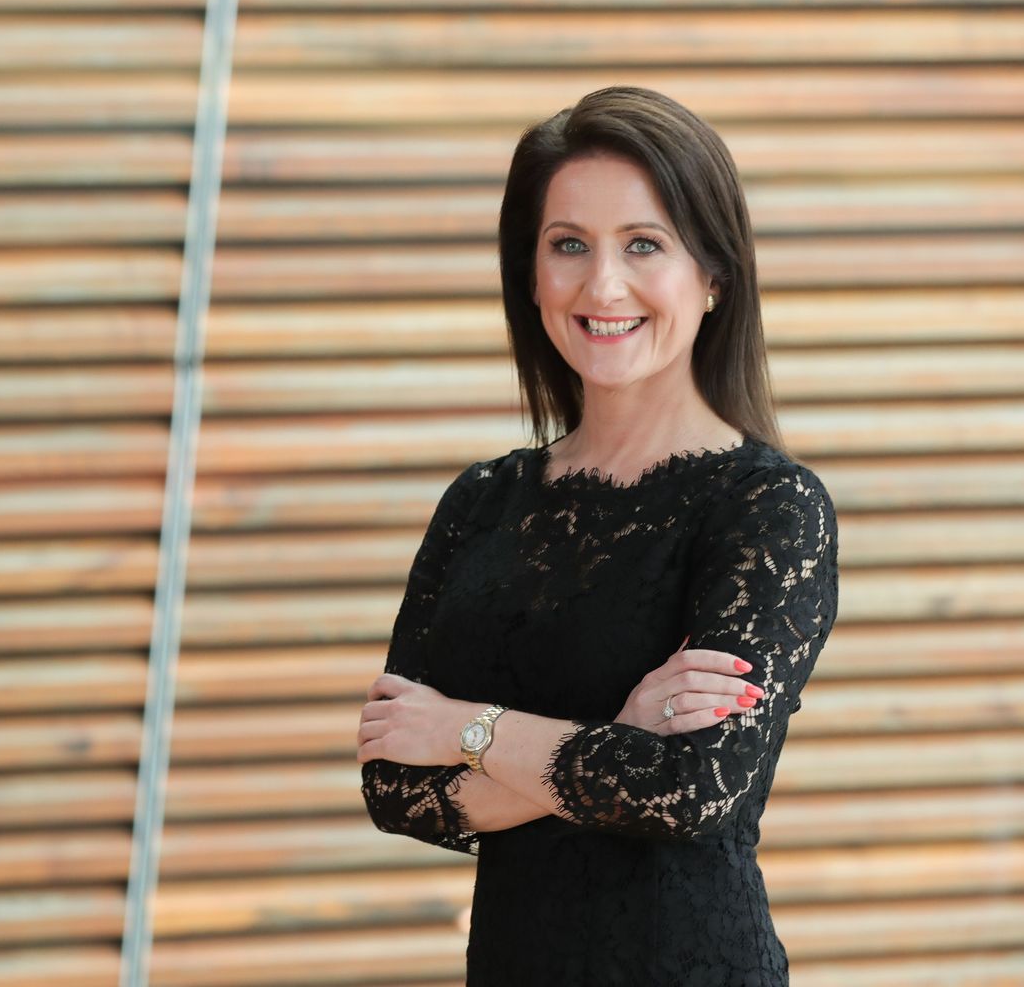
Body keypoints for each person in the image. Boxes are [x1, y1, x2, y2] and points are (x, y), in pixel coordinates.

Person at [356, 85, 839, 986]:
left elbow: (687, 790)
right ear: (530, 274)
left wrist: (467, 727)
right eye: (568, 245)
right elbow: (395, 789)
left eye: (643, 245)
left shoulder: (770, 509)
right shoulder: (482, 502)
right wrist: (614, 734)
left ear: (714, 276)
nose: (601, 284)